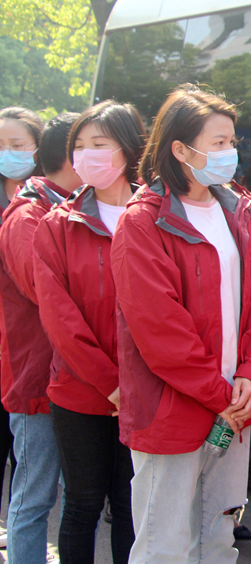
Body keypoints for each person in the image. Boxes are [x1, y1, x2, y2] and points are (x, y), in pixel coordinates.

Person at [110, 85, 251, 564]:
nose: (230, 153)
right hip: (173, 411)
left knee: (218, 539)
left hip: (233, 407)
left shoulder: (235, 212)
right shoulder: (142, 222)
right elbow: (160, 331)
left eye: (231, 141)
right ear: (180, 149)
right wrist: (222, 396)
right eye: (218, 143)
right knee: (164, 546)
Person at [33, 102, 146, 564]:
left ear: (129, 149)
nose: (85, 155)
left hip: (145, 391)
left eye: (99, 144)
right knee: (81, 504)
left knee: (131, 507)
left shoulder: (158, 217)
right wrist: (110, 383)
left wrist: (137, 383)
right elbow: (59, 318)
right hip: (79, 391)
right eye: (79, 146)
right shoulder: (58, 224)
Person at [0, 111, 82, 563]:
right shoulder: (28, 214)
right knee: (34, 497)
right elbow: (43, 291)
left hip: (72, 375)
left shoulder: (74, 205)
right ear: (71, 154)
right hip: (37, 378)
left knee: (75, 496)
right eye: (91, 146)